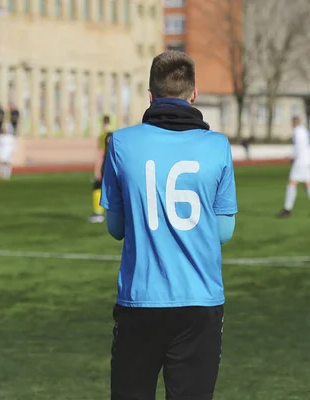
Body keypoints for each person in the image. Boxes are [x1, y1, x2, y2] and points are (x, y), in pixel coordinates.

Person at [100, 51, 237, 400]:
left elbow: (115, 228)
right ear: (194, 94)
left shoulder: (120, 143)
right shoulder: (218, 146)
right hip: (199, 303)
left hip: (140, 301)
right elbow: (224, 233)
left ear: (150, 96)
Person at [277, 116, 310, 218]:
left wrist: (292, 156)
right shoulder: (305, 131)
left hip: (300, 161)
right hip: (308, 161)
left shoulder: (297, 132)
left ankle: (287, 209)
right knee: (308, 184)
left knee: (292, 183)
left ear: (293, 123)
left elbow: (297, 147)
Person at [88, 115, 113, 223]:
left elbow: (100, 153)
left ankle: (98, 213)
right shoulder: (117, 134)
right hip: (114, 165)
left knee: (98, 187)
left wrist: (97, 170)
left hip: (105, 165)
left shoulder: (103, 136)